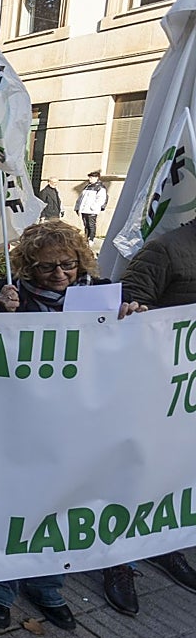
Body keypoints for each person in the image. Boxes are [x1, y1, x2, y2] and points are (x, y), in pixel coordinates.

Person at [0, 221, 145, 630]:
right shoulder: (12, 295)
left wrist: (133, 319)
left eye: (67, 265)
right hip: (23, 420)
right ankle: (0, 588)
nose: (58, 275)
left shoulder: (104, 294)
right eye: (46, 267)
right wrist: (1, 313)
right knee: (17, 504)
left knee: (64, 504)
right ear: (28, 266)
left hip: (81, 422)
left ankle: (48, 585)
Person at [106, 220, 196, 615]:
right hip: (153, 383)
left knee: (174, 469)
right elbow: (128, 308)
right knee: (132, 468)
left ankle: (163, 543)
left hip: (187, 391)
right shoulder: (166, 249)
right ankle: (115, 559)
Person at [75, 171, 107, 242]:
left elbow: (100, 199)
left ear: (96, 178)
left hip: (91, 210)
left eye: (91, 177)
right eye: (89, 177)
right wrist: (77, 207)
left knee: (91, 225)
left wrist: (93, 207)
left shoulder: (100, 187)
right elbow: (81, 198)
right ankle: (86, 237)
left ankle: (91, 238)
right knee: (86, 225)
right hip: (84, 209)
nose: (90, 179)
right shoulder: (87, 187)